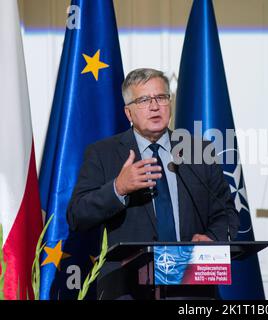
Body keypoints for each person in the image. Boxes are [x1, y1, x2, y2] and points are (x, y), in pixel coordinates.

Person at [66, 68, 239, 299]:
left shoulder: (199, 151)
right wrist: (118, 188)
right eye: (144, 100)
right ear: (129, 113)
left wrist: (213, 238)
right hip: (128, 289)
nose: (155, 106)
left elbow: (226, 213)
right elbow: (77, 215)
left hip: (192, 288)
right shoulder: (103, 154)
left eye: (161, 97)